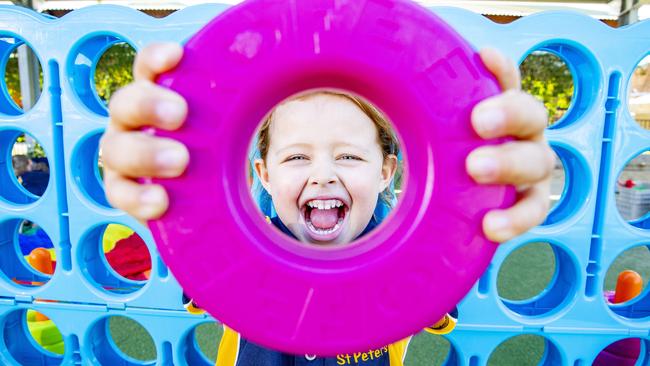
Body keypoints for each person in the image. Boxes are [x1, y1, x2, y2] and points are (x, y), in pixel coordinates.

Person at [100, 43, 553, 365]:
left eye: (349, 156)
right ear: (264, 175)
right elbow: (195, 248)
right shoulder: (235, 250)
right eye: (297, 157)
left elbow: (443, 270)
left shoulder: (410, 253)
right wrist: (164, 181)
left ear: (385, 172)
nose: (323, 174)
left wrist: (484, 192)